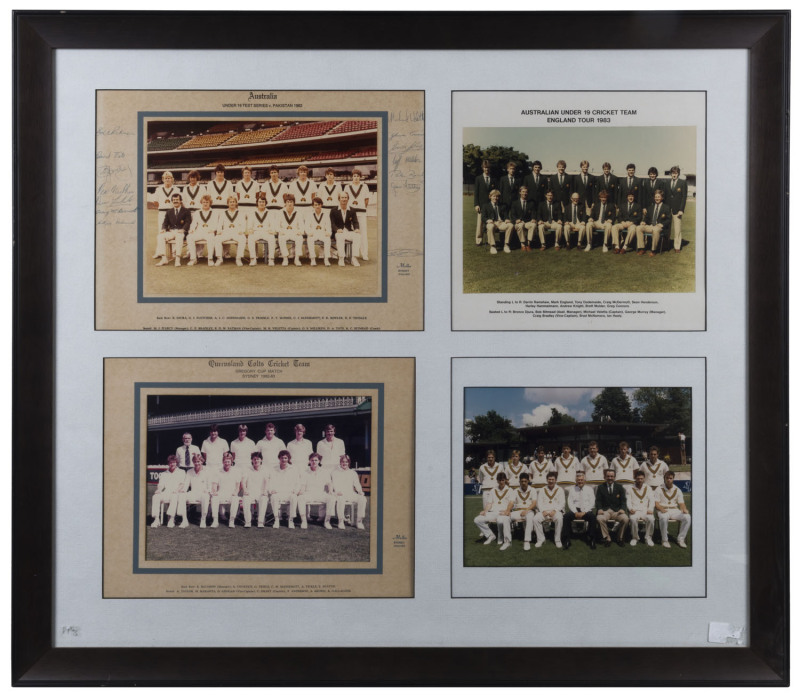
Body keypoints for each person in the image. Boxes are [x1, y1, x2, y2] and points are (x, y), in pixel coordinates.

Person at [473, 471, 513, 548]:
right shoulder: (493, 490)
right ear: (497, 480)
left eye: (503, 480)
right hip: (493, 512)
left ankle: (502, 538)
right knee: (477, 519)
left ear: (505, 480)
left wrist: (507, 511)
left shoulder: (510, 490)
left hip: (503, 513)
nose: (501, 482)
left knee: (500, 520)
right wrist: (485, 511)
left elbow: (511, 503)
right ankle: (490, 535)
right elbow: (489, 503)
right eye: (499, 480)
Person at [329, 454, 366, 529]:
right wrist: (337, 492)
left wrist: (360, 491)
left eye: (346, 462)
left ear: (349, 463)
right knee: (341, 499)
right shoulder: (335, 472)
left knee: (363, 499)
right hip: (340, 494)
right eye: (343, 462)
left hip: (351, 493)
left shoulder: (353, 473)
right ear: (340, 462)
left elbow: (357, 484)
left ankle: (359, 521)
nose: (344, 463)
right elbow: (334, 484)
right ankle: (341, 521)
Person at [655, 471, 691, 548]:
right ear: (664, 478)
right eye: (667, 478)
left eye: (670, 478)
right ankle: (664, 540)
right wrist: (661, 509)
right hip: (663, 509)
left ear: (673, 479)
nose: (668, 480)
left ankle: (680, 539)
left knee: (687, 517)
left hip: (674, 510)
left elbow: (681, 503)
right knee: (664, 517)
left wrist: (684, 509)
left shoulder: (677, 489)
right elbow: (656, 503)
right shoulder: (659, 489)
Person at [297, 452, 333, 529]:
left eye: (316, 460)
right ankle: (304, 521)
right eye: (312, 460)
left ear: (319, 461)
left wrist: (330, 491)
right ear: (309, 461)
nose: (314, 462)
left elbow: (329, 483)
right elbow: (303, 485)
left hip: (320, 494)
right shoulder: (305, 472)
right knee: (300, 498)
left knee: (331, 498)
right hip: (309, 493)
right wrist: (301, 492)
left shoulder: (324, 471)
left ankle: (327, 521)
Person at [563, 471, 597, 550]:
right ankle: (567, 539)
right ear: (576, 481)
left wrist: (584, 512)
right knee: (566, 517)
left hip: (586, 510)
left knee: (592, 517)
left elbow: (592, 502)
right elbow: (570, 502)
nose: (580, 481)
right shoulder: (572, 489)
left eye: (582, 480)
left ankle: (592, 539)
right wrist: (575, 512)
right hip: (575, 510)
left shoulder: (589, 489)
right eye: (578, 480)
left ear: (584, 481)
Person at [595, 468, 629, 547]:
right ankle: (607, 538)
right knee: (599, 518)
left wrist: (623, 509)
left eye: (611, 476)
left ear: (614, 477)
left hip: (616, 511)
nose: (610, 478)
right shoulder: (600, 487)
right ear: (605, 477)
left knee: (625, 519)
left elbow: (623, 500)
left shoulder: (620, 487)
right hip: (605, 511)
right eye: (608, 476)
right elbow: (598, 500)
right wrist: (599, 508)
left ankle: (620, 538)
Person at [155, 193, 192, 267]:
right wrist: (163, 229)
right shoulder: (169, 212)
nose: (175, 201)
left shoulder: (186, 211)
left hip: (181, 232)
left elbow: (188, 222)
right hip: (171, 231)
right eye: (174, 200)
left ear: (180, 201)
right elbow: (165, 223)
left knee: (179, 236)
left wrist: (183, 229)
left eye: (177, 200)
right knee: (160, 236)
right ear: (172, 201)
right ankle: (164, 258)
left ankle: (177, 259)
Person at [150, 455, 186, 528]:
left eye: (174, 462)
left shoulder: (182, 472)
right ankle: (156, 519)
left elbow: (182, 484)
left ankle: (171, 519)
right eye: (170, 463)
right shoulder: (163, 474)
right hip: (166, 492)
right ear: (168, 463)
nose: (172, 464)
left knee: (174, 496)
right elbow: (161, 485)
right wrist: (159, 490)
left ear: (176, 463)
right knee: (155, 496)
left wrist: (176, 490)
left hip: (176, 493)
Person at [268, 450, 301, 528]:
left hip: (289, 492)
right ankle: (276, 520)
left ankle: (291, 520)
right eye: (282, 458)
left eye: (286, 458)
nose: (284, 460)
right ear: (279, 458)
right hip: (278, 492)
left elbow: (298, 482)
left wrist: (295, 491)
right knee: (273, 497)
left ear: (288, 459)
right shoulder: (273, 469)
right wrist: (271, 490)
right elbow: (270, 481)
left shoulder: (293, 469)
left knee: (294, 497)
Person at [178, 452, 212, 528]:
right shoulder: (189, 471)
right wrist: (183, 490)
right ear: (193, 462)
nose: (197, 463)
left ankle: (203, 520)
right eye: (195, 462)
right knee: (181, 495)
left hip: (203, 494)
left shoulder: (207, 471)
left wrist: (208, 490)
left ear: (202, 461)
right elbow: (186, 484)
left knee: (205, 496)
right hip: (193, 493)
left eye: (198, 461)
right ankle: (184, 520)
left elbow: (210, 485)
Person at [185, 194, 219, 266]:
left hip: (209, 231)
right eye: (204, 202)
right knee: (189, 237)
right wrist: (192, 230)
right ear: (201, 203)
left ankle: (210, 259)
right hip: (199, 231)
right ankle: (193, 259)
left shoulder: (214, 212)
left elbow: (216, 223)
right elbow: (194, 223)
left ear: (210, 203)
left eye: (207, 202)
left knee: (211, 238)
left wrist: (213, 230)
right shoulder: (197, 212)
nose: (205, 204)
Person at [209, 452, 241, 528]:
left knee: (235, 499)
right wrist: (214, 492)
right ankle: (215, 520)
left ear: (231, 462)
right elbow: (214, 484)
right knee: (214, 498)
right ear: (223, 462)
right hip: (221, 492)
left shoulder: (236, 471)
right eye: (225, 461)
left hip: (232, 493)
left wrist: (235, 492)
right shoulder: (217, 471)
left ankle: (231, 521)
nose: (227, 463)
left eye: (228, 462)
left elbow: (238, 486)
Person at [213, 195, 248, 266]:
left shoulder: (240, 213)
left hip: (237, 232)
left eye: (233, 202)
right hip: (226, 232)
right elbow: (219, 224)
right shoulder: (223, 213)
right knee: (217, 238)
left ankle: (238, 259)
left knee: (242, 238)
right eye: (230, 202)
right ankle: (219, 258)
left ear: (236, 203)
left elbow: (243, 224)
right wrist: (219, 231)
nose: (232, 203)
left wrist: (242, 231)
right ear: (227, 204)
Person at [636, 188, 672, 257]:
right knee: (638, 228)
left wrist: (662, 224)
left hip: (659, 227)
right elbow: (646, 218)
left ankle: (653, 250)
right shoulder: (650, 207)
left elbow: (669, 219)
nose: (657, 198)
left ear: (662, 197)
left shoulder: (666, 207)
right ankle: (642, 248)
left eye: (658, 197)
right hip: (650, 226)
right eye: (655, 197)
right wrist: (643, 221)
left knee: (656, 229)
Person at [533, 472, 565, 548]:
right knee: (535, 519)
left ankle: (557, 540)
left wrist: (555, 510)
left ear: (555, 480)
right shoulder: (542, 489)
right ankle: (541, 539)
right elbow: (539, 502)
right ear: (547, 480)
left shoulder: (560, 489)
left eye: (552, 479)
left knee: (559, 518)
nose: (551, 481)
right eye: (549, 479)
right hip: (544, 511)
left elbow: (562, 503)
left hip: (555, 512)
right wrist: (543, 511)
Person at [330, 192, 362, 266]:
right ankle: (341, 258)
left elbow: (355, 222)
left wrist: (356, 228)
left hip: (348, 231)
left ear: (348, 199)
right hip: (338, 232)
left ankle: (354, 258)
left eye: (345, 197)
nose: (344, 199)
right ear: (339, 199)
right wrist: (337, 229)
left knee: (357, 236)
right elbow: (332, 224)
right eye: (342, 197)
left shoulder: (352, 210)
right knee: (340, 236)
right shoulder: (334, 210)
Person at [344, 169, 370, 260]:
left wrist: (362, 208)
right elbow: (345, 199)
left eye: (357, 176)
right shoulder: (347, 187)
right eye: (354, 176)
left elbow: (366, 200)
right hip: (350, 212)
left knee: (363, 233)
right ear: (352, 177)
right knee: (349, 232)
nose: (356, 178)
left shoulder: (364, 186)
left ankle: (364, 254)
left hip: (361, 212)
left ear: (360, 177)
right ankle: (348, 253)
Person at [508, 473, 537, 551]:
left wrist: (526, 510)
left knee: (530, 517)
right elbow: (511, 502)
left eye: (525, 481)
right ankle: (507, 540)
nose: (523, 483)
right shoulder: (515, 491)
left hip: (529, 510)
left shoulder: (533, 490)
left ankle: (527, 540)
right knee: (506, 517)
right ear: (519, 482)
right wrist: (508, 511)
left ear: (528, 481)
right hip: (518, 511)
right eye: (522, 481)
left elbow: (534, 503)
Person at [626, 469, 655, 546]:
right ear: (635, 478)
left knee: (651, 519)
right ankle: (635, 538)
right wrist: (630, 509)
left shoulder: (648, 488)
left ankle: (648, 538)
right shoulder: (630, 488)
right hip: (635, 510)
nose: (640, 480)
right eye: (638, 478)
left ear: (644, 478)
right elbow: (628, 501)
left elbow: (652, 500)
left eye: (641, 478)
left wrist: (650, 509)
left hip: (645, 510)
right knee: (633, 518)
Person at [241, 452, 270, 528]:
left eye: (258, 459)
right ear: (252, 460)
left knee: (264, 499)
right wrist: (245, 490)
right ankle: (248, 521)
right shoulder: (247, 469)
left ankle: (260, 521)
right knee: (245, 498)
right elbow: (243, 482)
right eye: (254, 459)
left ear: (261, 460)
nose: (256, 461)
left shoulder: (265, 470)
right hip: (250, 492)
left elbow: (267, 481)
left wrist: (265, 491)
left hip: (261, 493)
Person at [246, 192, 276, 266]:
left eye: (263, 202)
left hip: (266, 232)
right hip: (256, 232)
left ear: (265, 203)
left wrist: (272, 230)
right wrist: (250, 230)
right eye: (260, 202)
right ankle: (253, 259)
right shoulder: (252, 213)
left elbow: (273, 225)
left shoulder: (270, 213)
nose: (261, 203)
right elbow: (249, 225)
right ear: (257, 203)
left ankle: (271, 259)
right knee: (250, 237)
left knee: (272, 238)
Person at [276, 192, 305, 267]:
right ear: (285, 203)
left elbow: (301, 225)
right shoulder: (280, 212)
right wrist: (280, 231)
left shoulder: (298, 212)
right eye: (288, 202)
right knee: (281, 237)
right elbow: (276, 225)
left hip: (294, 232)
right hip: (284, 232)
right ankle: (285, 258)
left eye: (291, 202)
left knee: (299, 237)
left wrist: (300, 232)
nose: (289, 204)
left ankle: (297, 258)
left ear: (294, 203)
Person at [473, 159, 498, 245]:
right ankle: (479, 240)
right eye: (485, 167)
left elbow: (495, 192)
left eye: (488, 167)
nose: (486, 169)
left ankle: (489, 240)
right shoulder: (478, 179)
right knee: (480, 224)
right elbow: (476, 193)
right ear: (482, 168)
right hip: (481, 205)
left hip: (490, 205)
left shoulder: (494, 179)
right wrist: (476, 204)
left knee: (490, 223)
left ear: (489, 168)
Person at [584, 188, 616, 252]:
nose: (603, 199)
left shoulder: (611, 205)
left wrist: (611, 220)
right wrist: (590, 218)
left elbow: (614, 216)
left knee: (609, 225)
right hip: (597, 222)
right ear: (599, 198)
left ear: (607, 198)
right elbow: (592, 214)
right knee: (588, 224)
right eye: (602, 197)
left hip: (605, 222)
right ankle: (589, 244)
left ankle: (605, 244)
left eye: (605, 197)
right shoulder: (596, 205)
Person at [664, 165, 688, 253]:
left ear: (678, 174)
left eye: (676, 173)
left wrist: (681, 209)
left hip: (677, 210)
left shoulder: (682, 183)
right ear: (670, 174)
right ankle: (666, 245)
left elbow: (684, 197)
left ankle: (677, 246)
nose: (674, 175)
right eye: (673, 173)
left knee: (677, 229)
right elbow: (665, 196)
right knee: (667, 228)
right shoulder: (666, 183)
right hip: (667, 209)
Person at [481, 189, 511, 255]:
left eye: (497, 196)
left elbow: (506, 216)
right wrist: (488, 220)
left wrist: (506, 219)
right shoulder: (485, 206)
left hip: (501, 223)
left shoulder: (503, 205)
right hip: (492, 223)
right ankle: (493, 246)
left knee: (510, 225)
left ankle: (506, 245)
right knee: (490, 226)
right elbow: (483, 217)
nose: (496, 198)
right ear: (490, 196)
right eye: (494, 196)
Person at [611, 190, 643, 255]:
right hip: (623, 223)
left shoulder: (638, 206)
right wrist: (622, 222)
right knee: (614, 227)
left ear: (634, 197)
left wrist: (631, 222)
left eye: (632, 196)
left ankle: (624, 247)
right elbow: (619, 216)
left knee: (633, 229)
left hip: (632, 224)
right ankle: (617, 246)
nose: (630, 198)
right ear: (627, 197)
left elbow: (639, 217)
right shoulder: (622, 205)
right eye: (629, 196)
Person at [305, 197, 333, 266]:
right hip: (313, 233)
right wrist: (309, 232)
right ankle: (313, 259)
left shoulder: (326, 214)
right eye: (315, 205)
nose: (317, 206)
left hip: (322, 233)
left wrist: (328, 232)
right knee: (310, 239)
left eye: (319, 204)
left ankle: (326, 259)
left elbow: (328, 226)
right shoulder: (309, 214)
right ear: (313, 206)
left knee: (327, 239)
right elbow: (307, 226)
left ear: (321, 205)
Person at [509, 186, 536, 252]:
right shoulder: (515, 203)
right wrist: (516, 220)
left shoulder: (531, 203)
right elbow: (512, 214)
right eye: (523, 192)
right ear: (520, 193)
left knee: (533, 225)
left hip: (527, 222)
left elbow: (533, 213)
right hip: (518, 222)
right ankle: (523, 244)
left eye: (526, 192)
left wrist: (533, 218)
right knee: (520, 226)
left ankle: (528, 244)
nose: (524, 193)